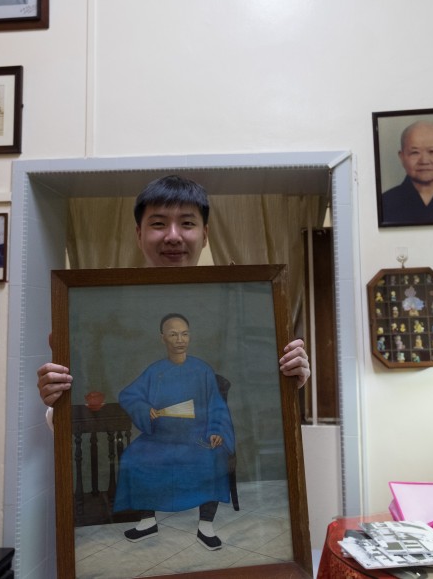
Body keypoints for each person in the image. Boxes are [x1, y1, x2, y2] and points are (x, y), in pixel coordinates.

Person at [37, 175, 310, 412]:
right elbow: (96, 400)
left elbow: (245, 400)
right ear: (138, 234)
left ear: (204, 235)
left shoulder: (236, 306)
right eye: (158, 224)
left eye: (187, 224)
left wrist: (286, 382)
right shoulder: (106, 310)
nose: (173, 236)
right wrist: (57, 401)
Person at [113, 313, 234, 550]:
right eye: (173, 334)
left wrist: (216, 430)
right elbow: (128, 395)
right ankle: (147, 522)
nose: (180, 339)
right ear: (163, 339)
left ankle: (206, 526)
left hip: (197, 436)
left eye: (184, 333)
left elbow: (216, 406)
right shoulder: (155, 371)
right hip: (160, 437)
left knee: (215, 456)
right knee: (132, 458)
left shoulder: (202, 370)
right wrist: (146, 409)